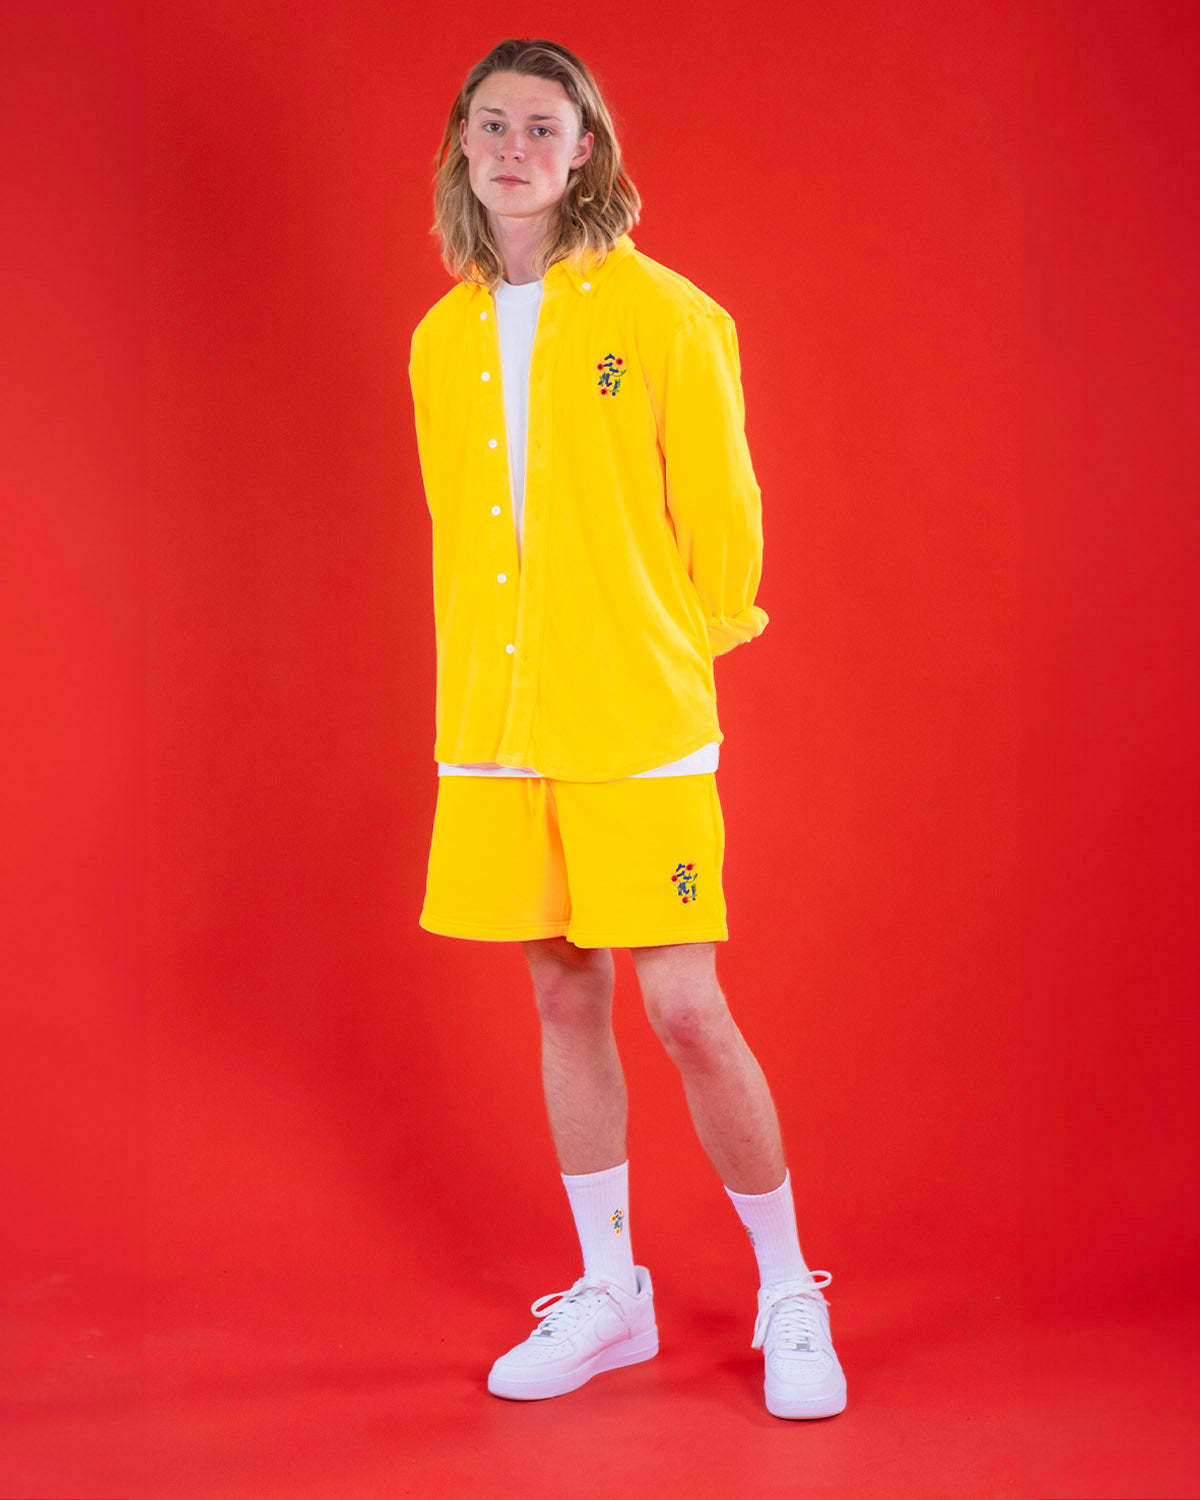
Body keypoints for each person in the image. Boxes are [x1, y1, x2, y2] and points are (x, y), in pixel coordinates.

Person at [407, 36, 847, 1421]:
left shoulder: (668, 317)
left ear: (584, 148)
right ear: (463, 144)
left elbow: (724, 526)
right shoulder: (441, 338)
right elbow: (465, 535)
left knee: (685, 1007)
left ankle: (789, 1289)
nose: (514, 149)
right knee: (560, 992)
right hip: (497, 718)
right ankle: (612, 1293)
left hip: (637, 717)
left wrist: (658, 657)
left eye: (542, 127)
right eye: (492, 125)